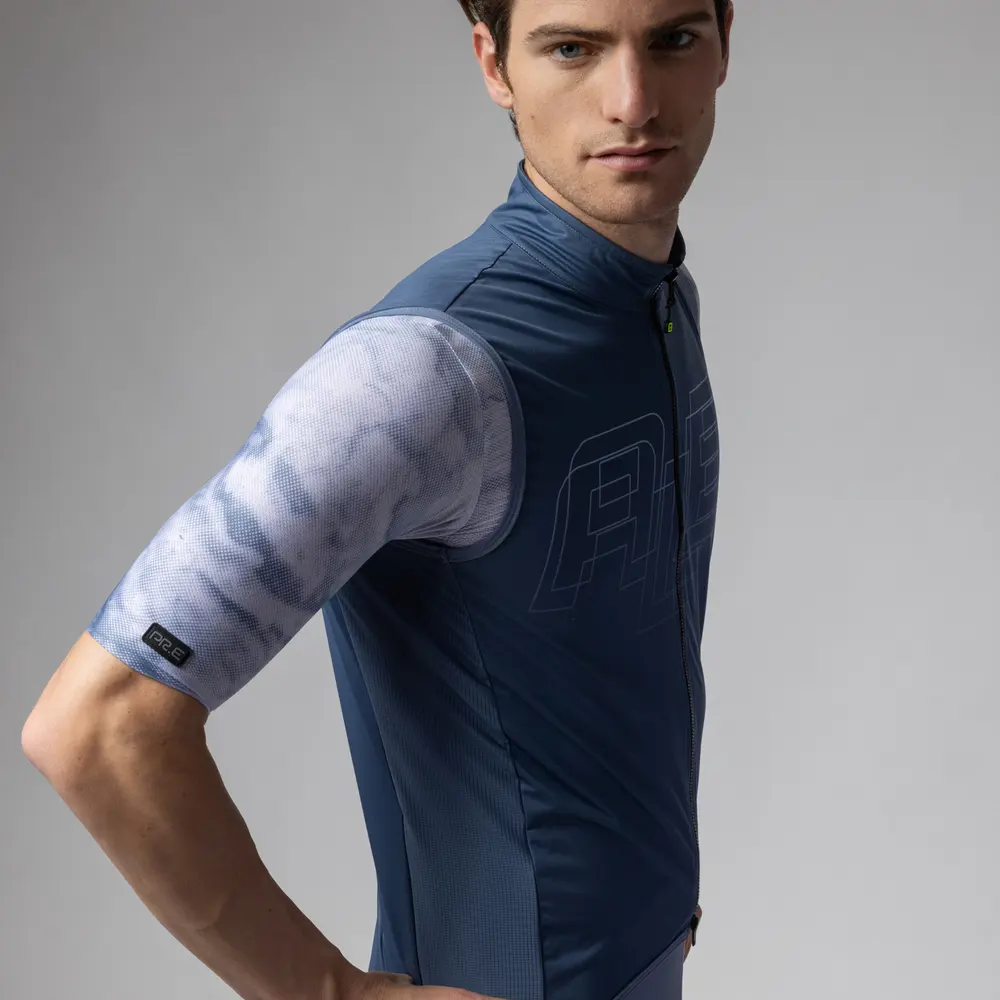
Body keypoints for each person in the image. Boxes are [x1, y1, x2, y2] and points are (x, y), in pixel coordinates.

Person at [22, 2, 733, 1000]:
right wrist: (334, 993)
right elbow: (98, 726)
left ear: (724, 40)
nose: (632, 101)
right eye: (572, 48)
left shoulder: (652, 298)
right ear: (494, 62)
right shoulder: (424, 373)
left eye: (672, 40)